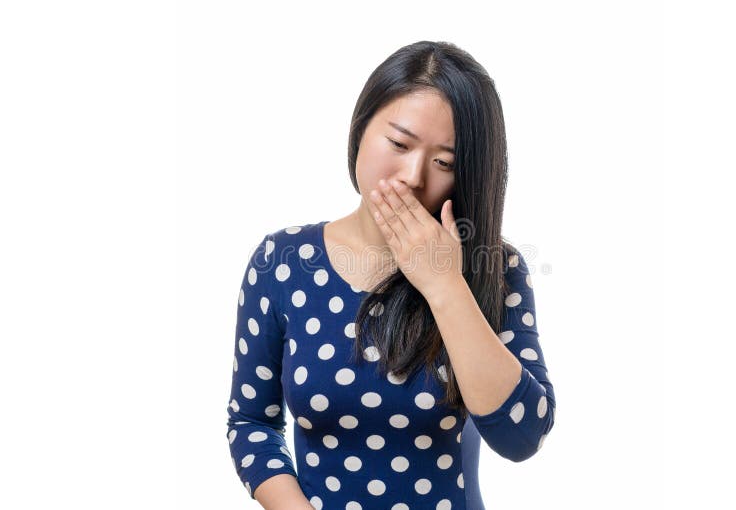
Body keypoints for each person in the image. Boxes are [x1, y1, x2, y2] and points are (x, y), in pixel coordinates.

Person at [225, 40, 556, 510]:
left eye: (444, 162)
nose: (412, 176)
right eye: (398, 144)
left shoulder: (494, 267)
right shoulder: (282, 260)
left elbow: (522, 434)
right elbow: (251, 423)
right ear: (361, 129)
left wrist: (444, 284)